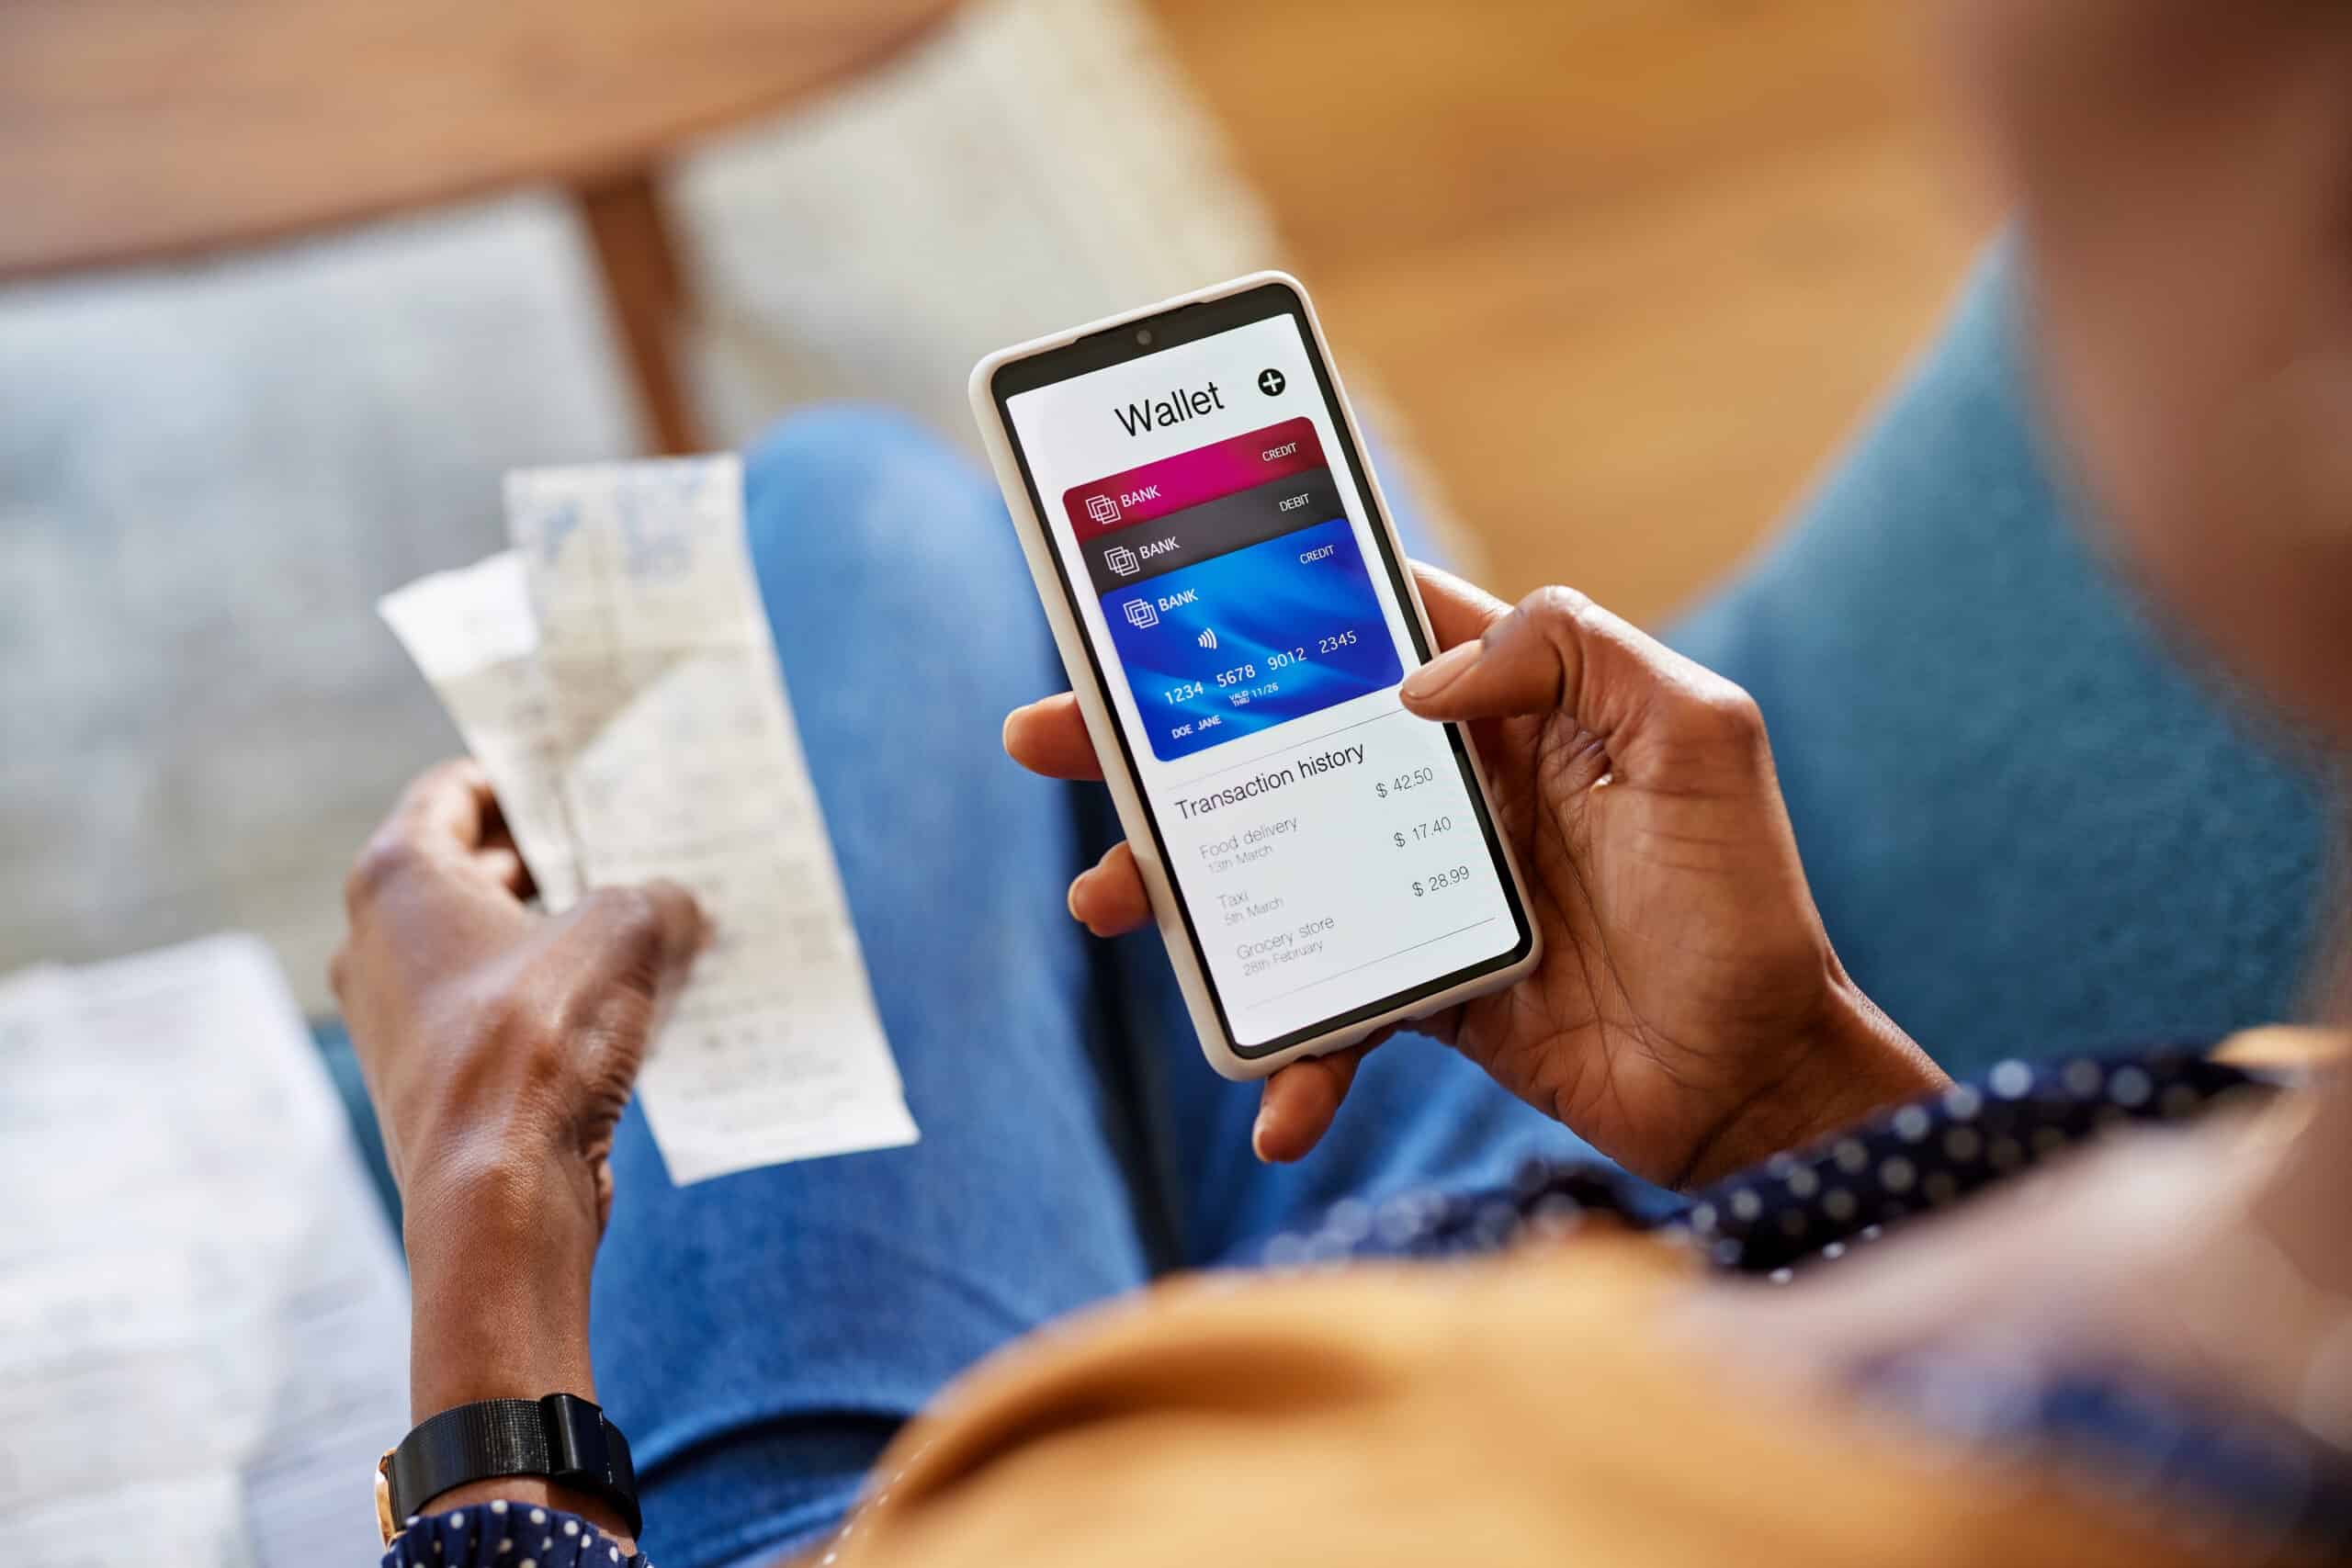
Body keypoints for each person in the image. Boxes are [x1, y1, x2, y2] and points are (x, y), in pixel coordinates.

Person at [326, 1, 2352, 1563]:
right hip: (1637, 1241)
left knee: (829, 530)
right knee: (1133, 567)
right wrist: (1796, 1104)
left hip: (944, 1509)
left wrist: (491, 1258)